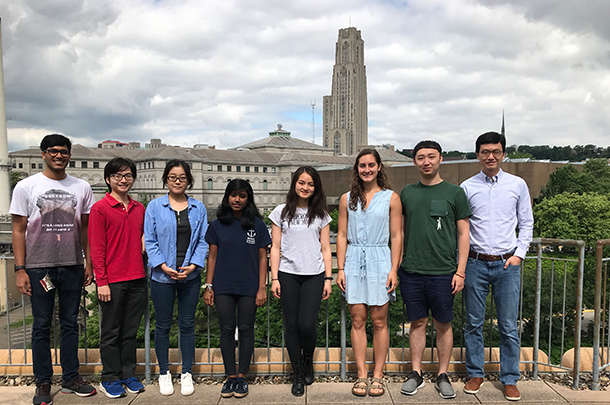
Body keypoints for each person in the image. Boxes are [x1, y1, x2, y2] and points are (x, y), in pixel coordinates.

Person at [11, 134, 97, 405]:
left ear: (69, 155)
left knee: (71, 323)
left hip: (72, 264)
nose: (59, 156)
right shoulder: (26, 186)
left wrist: (89, 263)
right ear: (43, 154)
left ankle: (71, 378)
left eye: (64, 151)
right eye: (53, 151)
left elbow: (86, 229)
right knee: (42, 326)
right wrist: (20, 269)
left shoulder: (82, 187)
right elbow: (18, 229)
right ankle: (43, 382)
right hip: (38, 267)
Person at [460, 132, 533, 402]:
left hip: (507, 263)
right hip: (476, 263)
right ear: (477, 154)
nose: (490, 156)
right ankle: (476, 373)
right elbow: (463, 229)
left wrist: (519, 255)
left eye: (496, 151)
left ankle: (510, 378)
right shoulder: (467, 187)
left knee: (508, 326)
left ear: (503, 154)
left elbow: (526, 222)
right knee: (473, 324)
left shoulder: (517, 184)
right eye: (485, 151)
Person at [399, 140, 471, 400]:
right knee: (416, 322)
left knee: (443, 324)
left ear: (441, 159)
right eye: (420, 157)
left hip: (444, 271)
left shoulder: (455, 193)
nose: (426, 162)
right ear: (414, 161)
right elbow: (400, 232)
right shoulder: (406, 193)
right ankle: (416, 373)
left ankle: (442, 374)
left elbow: (464, 234)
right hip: (411, 270)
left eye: (431, 157)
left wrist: (460, 271)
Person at [336, 148, 402, 397]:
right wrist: (340, 268)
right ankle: (361, 374)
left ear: (379, 167)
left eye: (371, 165)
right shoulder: (346, 199)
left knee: (379, 320)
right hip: (354, 260)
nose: (366, 170)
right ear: (357, 169)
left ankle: (378, 374)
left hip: (380, 260)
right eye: (362, 165)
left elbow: (396, 236)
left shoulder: (391, 198)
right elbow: (342, 235)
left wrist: (394, 269)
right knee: (357, 319)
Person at [144, 159, 208, 396]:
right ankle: (163, 373)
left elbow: (203, 240)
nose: (177, 181)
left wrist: (193, 265)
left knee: (187, 324)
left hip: (190, 276)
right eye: (172, 177)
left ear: (189, 180)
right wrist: (162, 265)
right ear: (166, 180)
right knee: (162, 326)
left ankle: (187, 372)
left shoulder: (198, 208)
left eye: (182, 177)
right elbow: (149, 240)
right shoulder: (154, 207)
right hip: (162, 277)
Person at [203, 179, 271, 398]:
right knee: (225, 329)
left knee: (246, 329)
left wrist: (262, 287)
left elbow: (263, 259)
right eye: (233, 195)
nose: (237, 199)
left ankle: (242, 376)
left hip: (249, 287)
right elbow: (211, 257)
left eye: (242, 195)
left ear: (248, 198)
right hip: (223, 286)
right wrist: (209, 286)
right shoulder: (216, 225)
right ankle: (230, 376)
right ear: (227, 197)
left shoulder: (257, 225)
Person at [269, 166, 333, 397]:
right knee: (292, 325)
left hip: (314, 274)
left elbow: (326, 248)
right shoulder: (280, 212)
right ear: (294, 184)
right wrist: (274, 277)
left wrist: (328, 278)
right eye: (301, 183)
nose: (305, 187)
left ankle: (308, 360)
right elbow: (274, 247)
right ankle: (297, 372)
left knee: (307, 324)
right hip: (287, 273)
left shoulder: (321, 214)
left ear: (315, 187)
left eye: (310, 184)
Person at [88, 157, 147, 398]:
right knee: (111, 331)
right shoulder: (99, 209)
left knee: (130, 331)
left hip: (138, 277)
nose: (123, 180)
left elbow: (145, 238)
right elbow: (97, 248)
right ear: (108, 180)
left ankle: (128, 374)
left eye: (128, 176)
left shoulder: (139, 208)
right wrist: (101, 281)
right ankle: (110, 377)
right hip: (112, 280)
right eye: (118, 176)